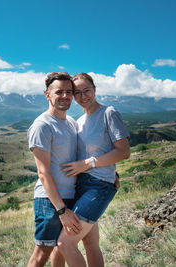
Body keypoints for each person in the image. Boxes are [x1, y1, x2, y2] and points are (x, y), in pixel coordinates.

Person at [56, 73, 130, 267]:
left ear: (95, 90)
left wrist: (90, 164)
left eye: (86, 90)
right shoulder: (79, 122)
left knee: (65, 242)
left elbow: (123, 152)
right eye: (77, 92)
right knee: (90, 243)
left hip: (98, 187)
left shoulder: (108, 113)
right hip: (81, 186)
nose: (83, 96)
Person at [26, 72, 82, 267]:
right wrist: (62, 210)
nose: (65, 96)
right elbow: (43, 172)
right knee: (41, 254)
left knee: (61, 248)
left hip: (70, 197)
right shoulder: (42, 126)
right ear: (47, 94)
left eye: (69, 92)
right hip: (51, 201)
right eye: (59, 92)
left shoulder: (71, 123)